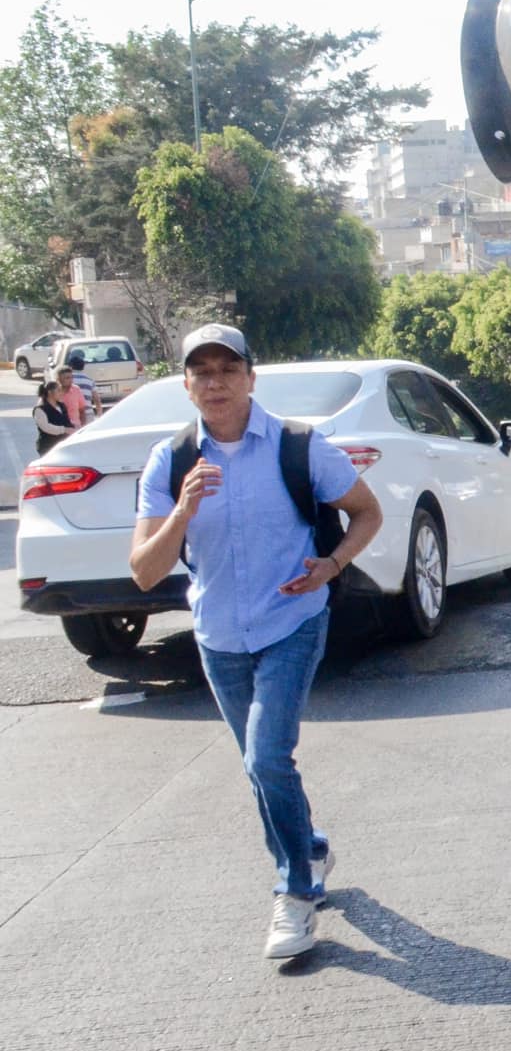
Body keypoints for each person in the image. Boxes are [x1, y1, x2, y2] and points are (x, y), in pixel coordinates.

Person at [129, 324, 384, 960]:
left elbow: (367, 511)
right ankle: (310, 846)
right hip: (218, 633)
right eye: (202, 372)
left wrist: (332, 564)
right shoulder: (172, 461)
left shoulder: (298, 446)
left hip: (291, 620)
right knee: (259, 767)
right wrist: (183, 513)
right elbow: (144, 569)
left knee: (267, 757)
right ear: (186, 384)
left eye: (227, 370)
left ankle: (296, 894)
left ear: (250, 376)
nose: (215, 383)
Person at [31, 379, 74, 455]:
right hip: (48, 447)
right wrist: (64, 429)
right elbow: (46, 427)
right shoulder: (40, 409)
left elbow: (67, 421)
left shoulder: (62, 406)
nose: (61, 393)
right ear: (50, 392)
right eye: (58, 390)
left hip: (63, 445)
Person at [64, 352, 102, 424]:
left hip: (72, 413)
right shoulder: (89, 380)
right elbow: (96, 399)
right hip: (88, 413)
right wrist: (99, 414)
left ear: (70, 367)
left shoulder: (67, 380)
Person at [55, 364, 89, 429]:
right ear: (58, 379)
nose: (71, 380)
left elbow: (82, 410)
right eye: (67, 378)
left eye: (71, 377)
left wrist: (83, 427)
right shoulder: (54, 392)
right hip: (60, 429)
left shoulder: (76, 389)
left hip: (75, 428)